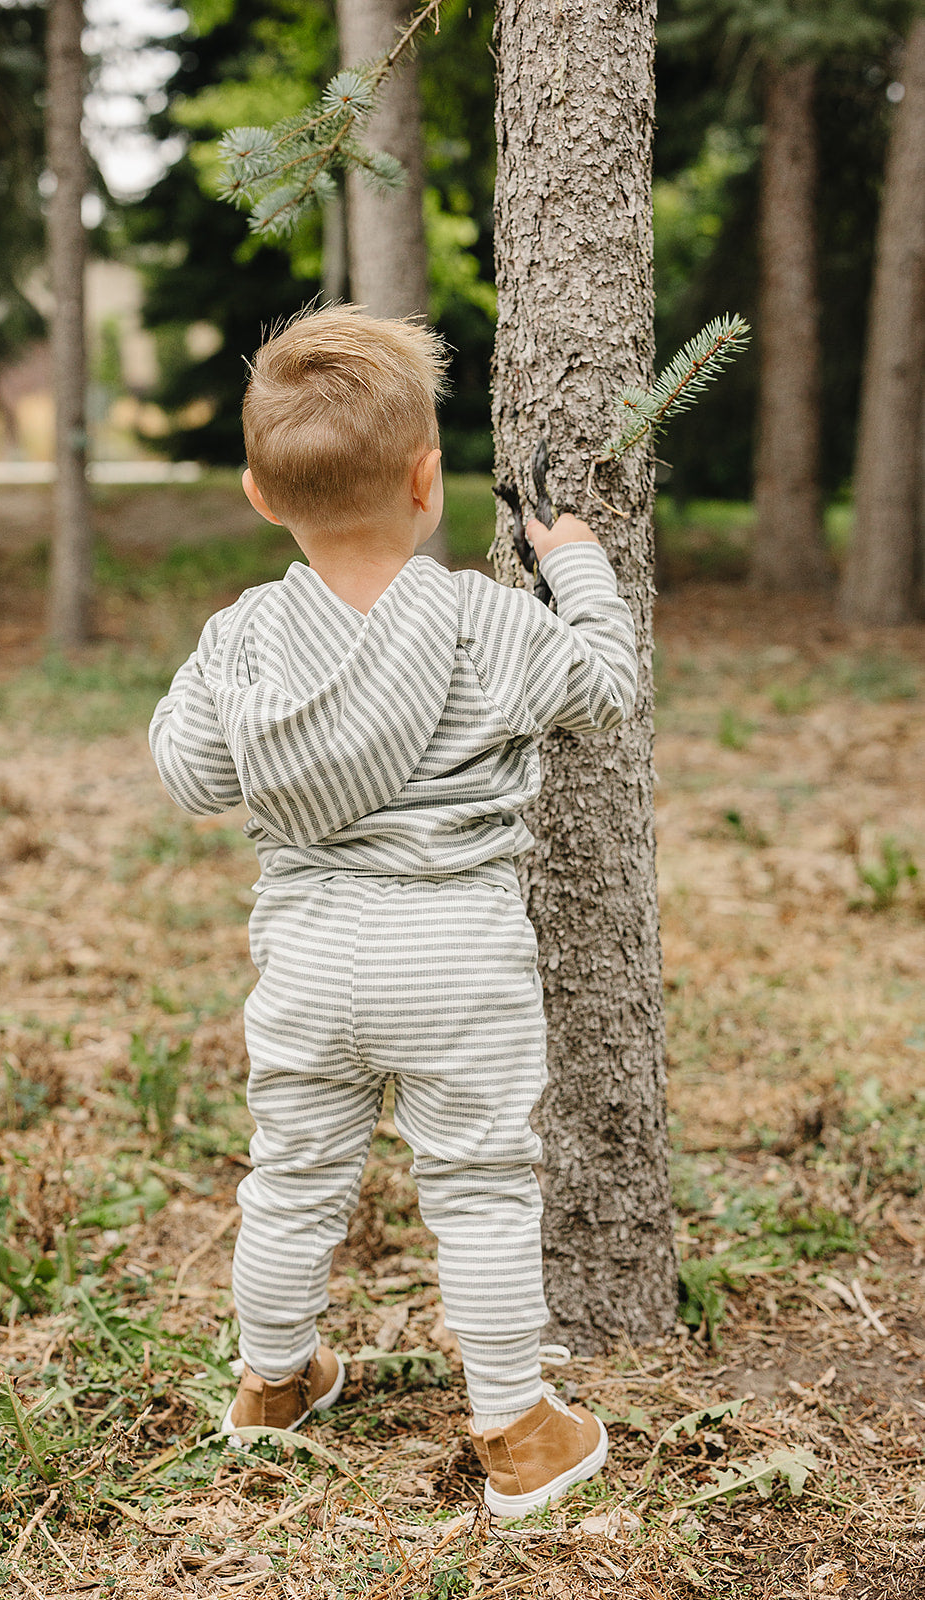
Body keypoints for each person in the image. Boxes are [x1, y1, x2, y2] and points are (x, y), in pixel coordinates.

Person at [148, 305, 638, 1519]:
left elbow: (191, 777)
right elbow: (610, 689)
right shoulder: (488, 621)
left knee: (293, 1171)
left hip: (309, 956)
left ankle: (269, 1381)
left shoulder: (243, 639)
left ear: (260, 495)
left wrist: (208, 685)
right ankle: (518, 1424)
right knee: (476, 1181)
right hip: (454, 952)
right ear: (427, 478)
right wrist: (570, 556)